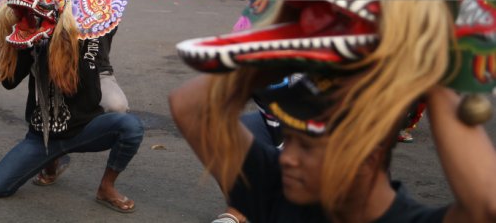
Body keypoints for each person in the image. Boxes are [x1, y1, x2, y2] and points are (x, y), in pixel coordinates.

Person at [170, 72, 496, 223]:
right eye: (291, 140)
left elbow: (487, 206)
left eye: (309, 147)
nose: (288, 158)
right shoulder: (281, 197)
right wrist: (290, 25)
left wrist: (434, 79)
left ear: (368, 153)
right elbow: (190, 107)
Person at [0, 30, 144, 213]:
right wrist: (25, 43)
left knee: (131, 127)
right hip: (42, 137)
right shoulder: (34, 38)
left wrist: (73, 48)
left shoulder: (86, 35)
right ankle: (53, 164)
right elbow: (8, 82)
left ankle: (106, 188)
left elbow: (93, 95)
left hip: (82, 130)